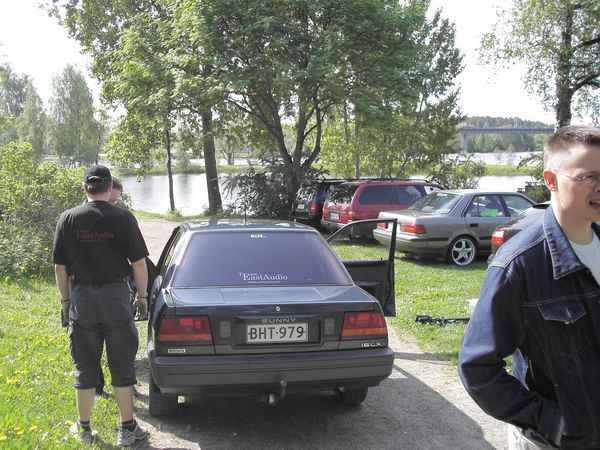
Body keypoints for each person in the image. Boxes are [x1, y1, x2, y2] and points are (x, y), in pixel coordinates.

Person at [459, 126, 600, 449]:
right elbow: (477, 368)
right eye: (588, 177)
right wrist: (549, 421)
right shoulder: (519, 265)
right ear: (551, 180)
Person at [53, 165, 150, 446]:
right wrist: (142, 297)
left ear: (85, 188)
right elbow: (139, 263)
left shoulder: (68, 218)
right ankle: (127, 429)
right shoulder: (123, 217)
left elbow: (60, 268)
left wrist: (66, 301)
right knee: (122, 364)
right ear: (109, 188)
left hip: (82, 299)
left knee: (84, 365)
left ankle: (84, 429)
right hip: (116, 298)